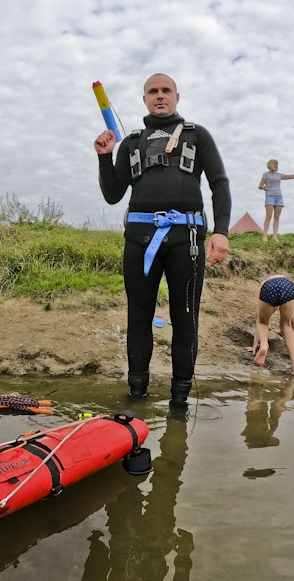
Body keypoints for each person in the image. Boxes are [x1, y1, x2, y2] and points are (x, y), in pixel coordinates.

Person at [93, 73, 231, 406]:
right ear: (144, 99)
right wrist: (104, 156)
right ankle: (136, 394)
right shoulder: (132, 142)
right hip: (139, 240)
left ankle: (180, 400)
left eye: (165, 90)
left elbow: (220, 184)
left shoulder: (198, 136)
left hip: (189, 240)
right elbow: (113, 195)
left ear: (177, 97)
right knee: (138, 317)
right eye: (152, 91)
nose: (159, 96)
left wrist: (222, 230)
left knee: (186, 318)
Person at [252, 274, 294, 376]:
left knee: (263, 322)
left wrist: (256, 341)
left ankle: (264, 346)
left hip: (270, 288)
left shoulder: (264, 285)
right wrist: (283, 331)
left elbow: (259, 319)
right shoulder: (285, 285)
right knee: (287, 326)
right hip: (288, 286)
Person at [258, 159, 294, 242]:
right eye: (275, 165)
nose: (277, 166)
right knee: (269, 216)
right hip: (270, 196)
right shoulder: (266, 174)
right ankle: (265, 236)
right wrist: (264, 187)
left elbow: (291, 176)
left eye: (277, 165)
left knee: (277, 217)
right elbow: (260, 186)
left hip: (279, 197)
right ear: (271, 165)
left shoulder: (279, 175)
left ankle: (275, 237)